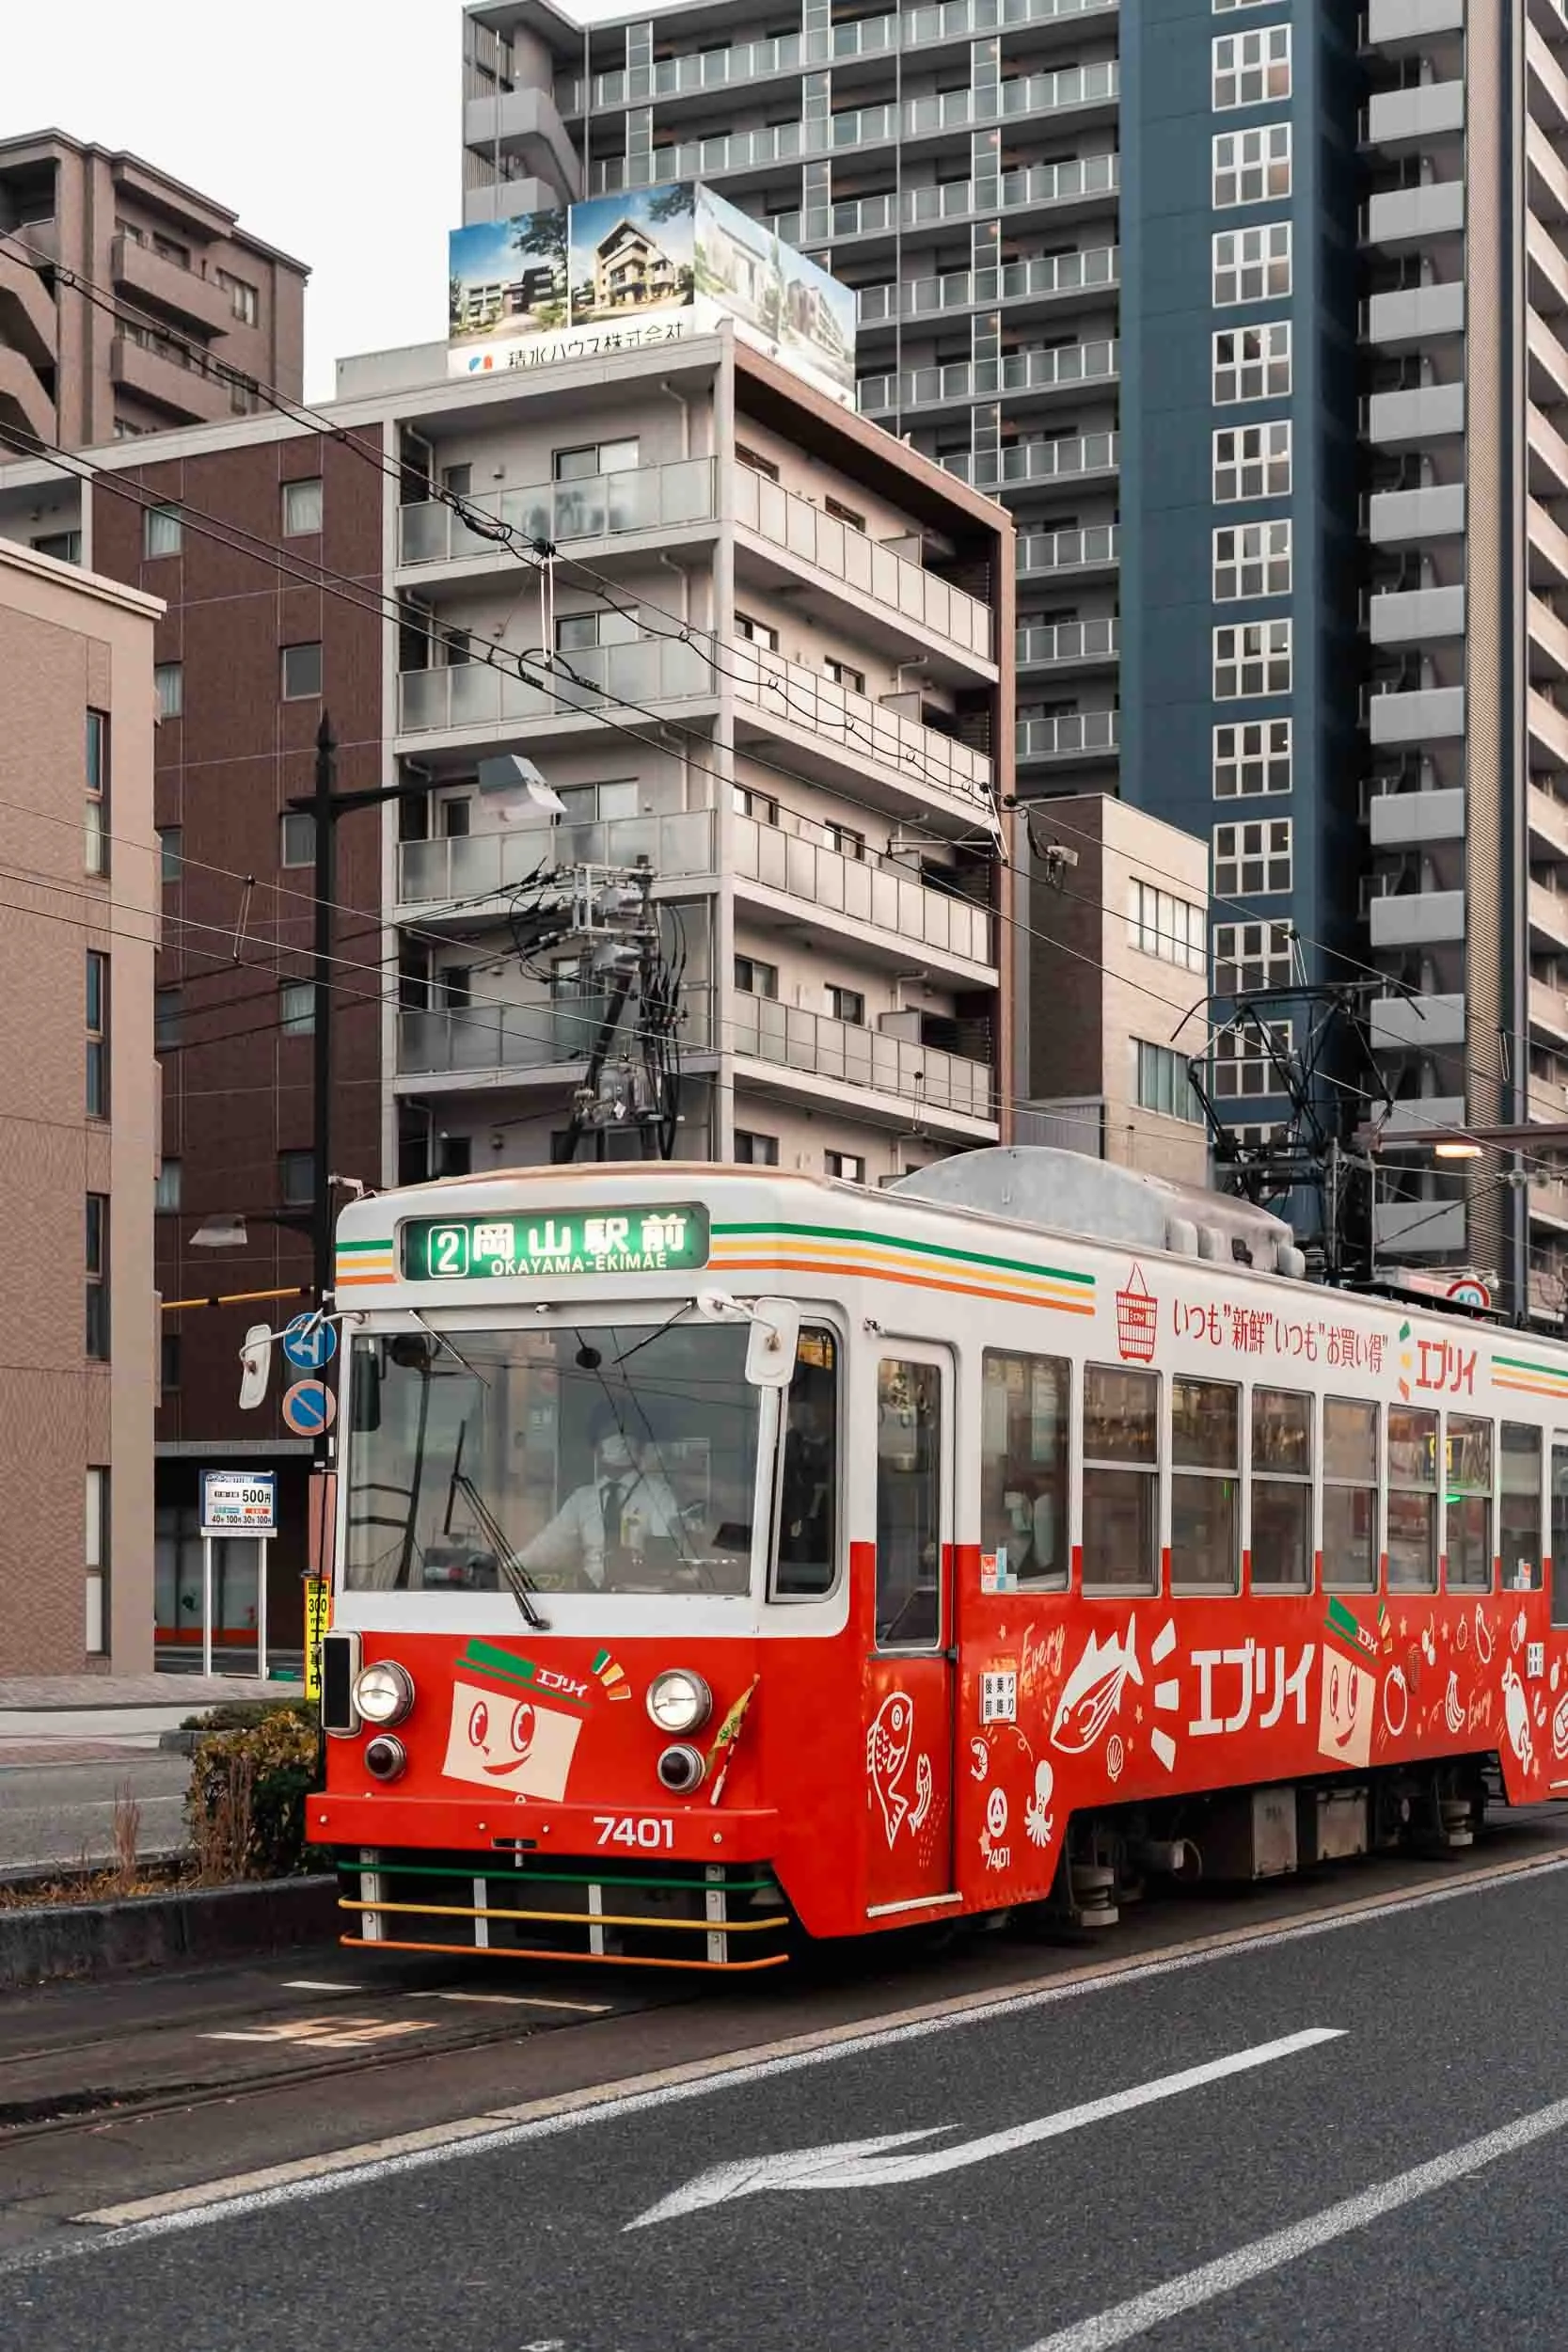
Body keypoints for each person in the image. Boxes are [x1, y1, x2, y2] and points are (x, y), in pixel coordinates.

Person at [514, 1403, 689, 1590]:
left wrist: (635, 1561)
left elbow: (666, 1556)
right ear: (596, 1448)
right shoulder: (582, 1499)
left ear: (640, 1445)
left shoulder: (659, 1494)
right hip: (591, 1599)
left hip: (642, 1599)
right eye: (611, 1432)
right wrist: (509, 1568)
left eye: (626, 1432)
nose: (621, 1439)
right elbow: (547, 1547)